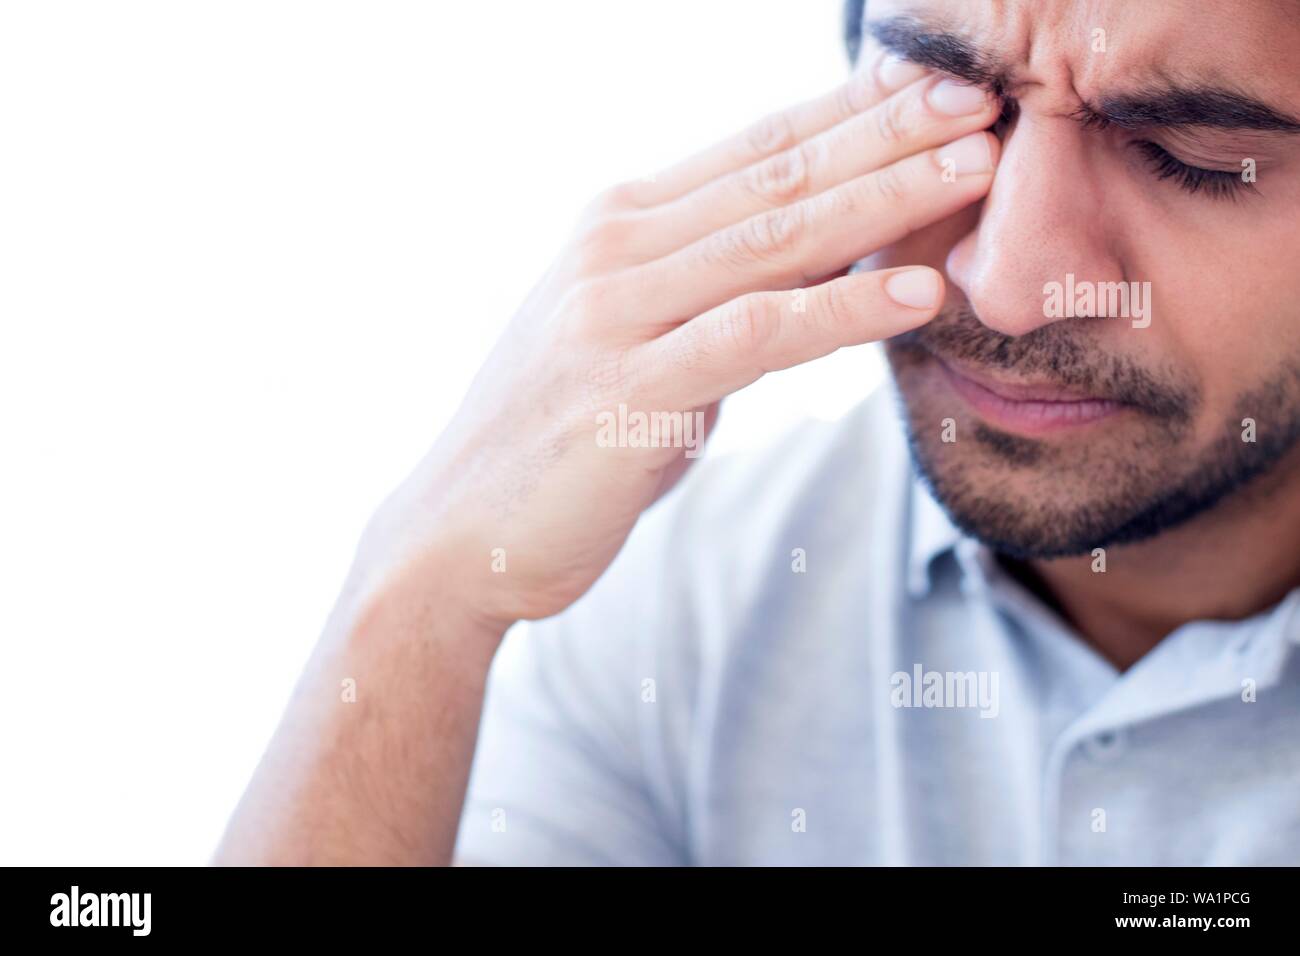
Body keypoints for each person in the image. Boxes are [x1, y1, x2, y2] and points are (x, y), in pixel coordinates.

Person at [215, 0, 1300, 865]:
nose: (1007, 284)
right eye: (946, 101)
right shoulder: (677, 598)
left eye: (1190, 154)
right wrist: (423, 595)